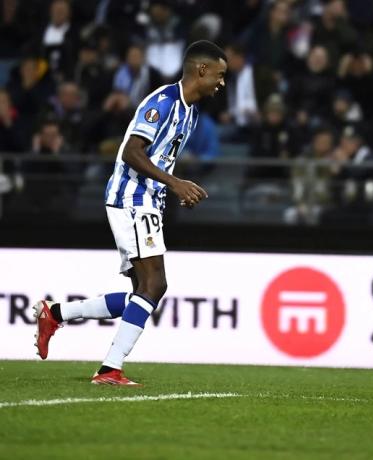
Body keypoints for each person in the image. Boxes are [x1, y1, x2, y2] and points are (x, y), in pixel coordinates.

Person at [33, 40, 228, 385]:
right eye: (219, 74)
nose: (221, 82)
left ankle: (57, 313)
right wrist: (175, 183)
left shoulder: (192, 111)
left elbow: (159, 156)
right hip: (132, 197)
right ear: (202, 69)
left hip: (147, 200)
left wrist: (170, 188)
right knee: (156, 284)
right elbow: (132, 153)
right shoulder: (163, 102)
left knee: (142, 292)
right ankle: (110, 368)